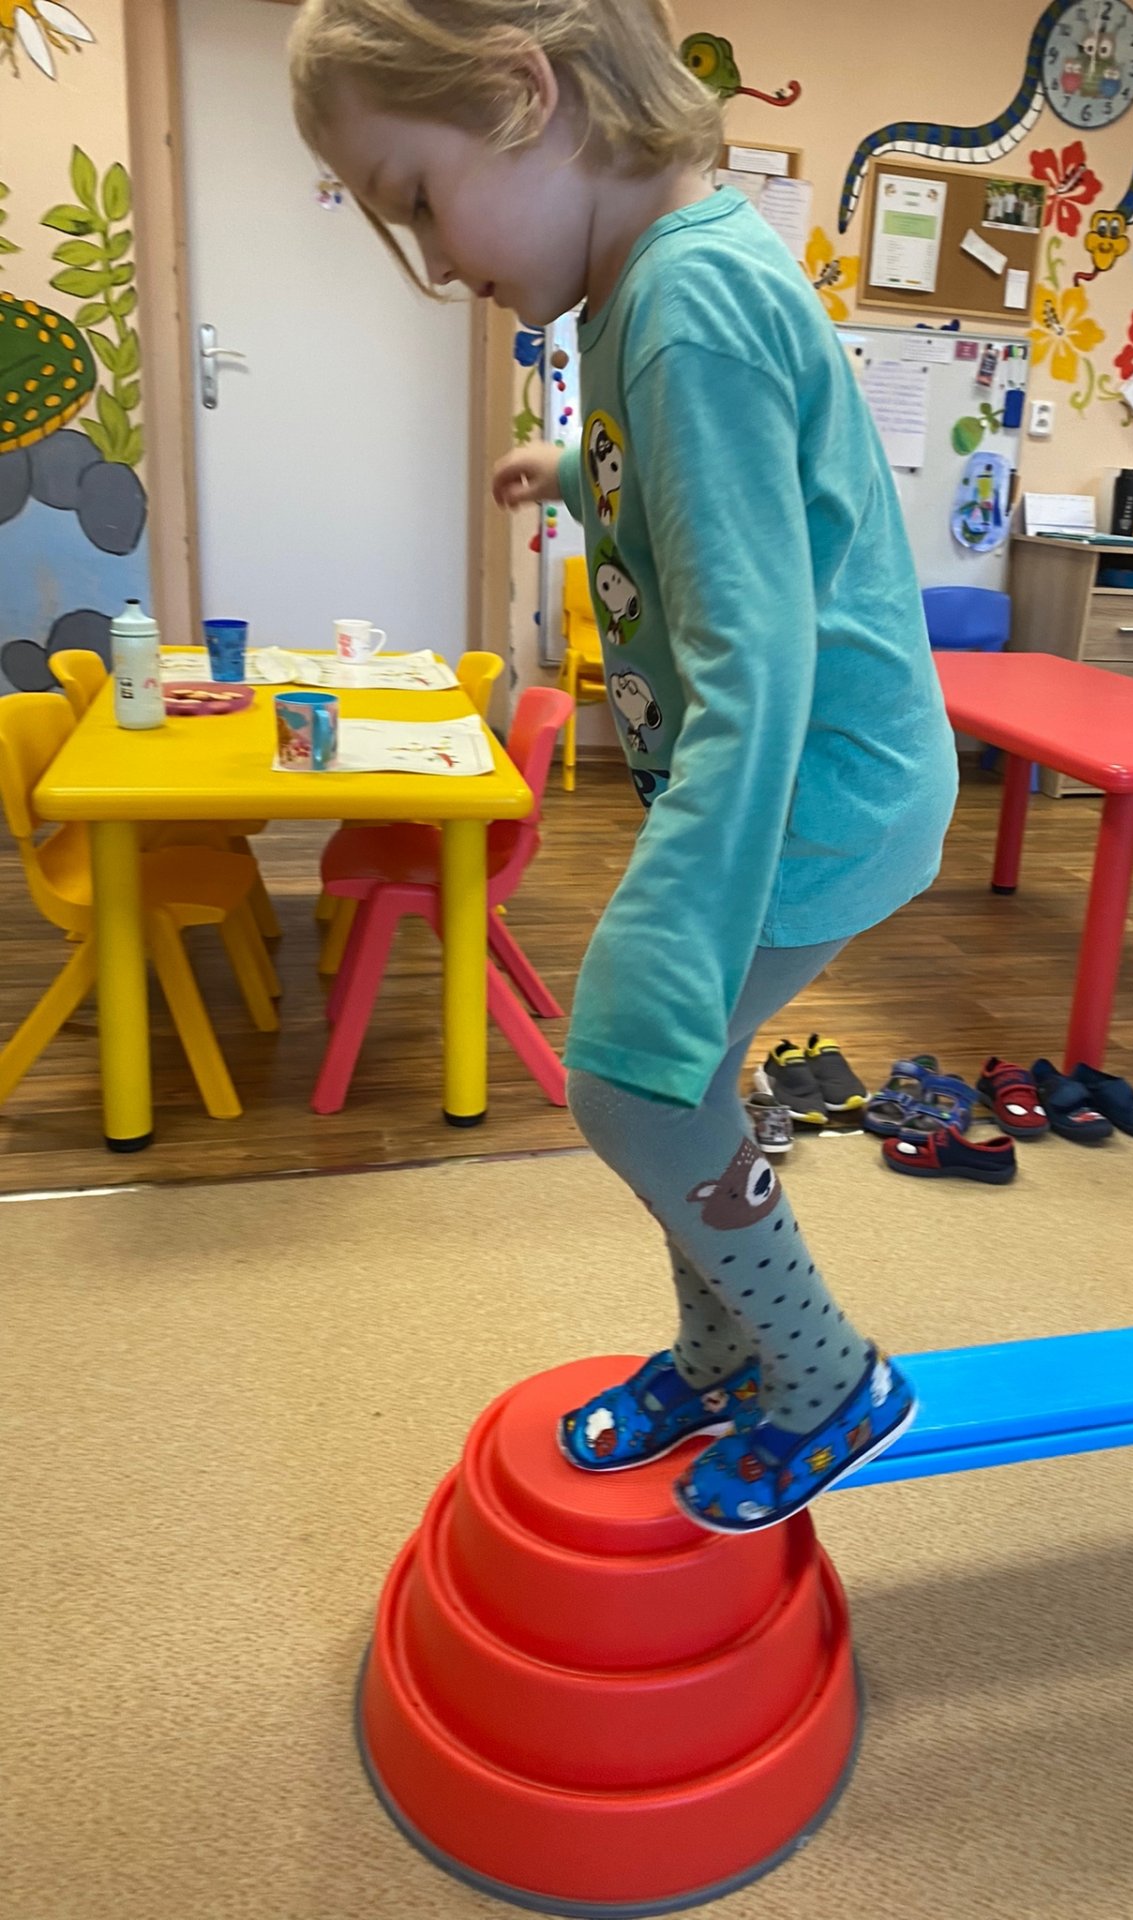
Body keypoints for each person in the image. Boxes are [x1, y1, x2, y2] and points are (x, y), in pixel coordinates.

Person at [289, 0, 957, 1534]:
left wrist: (672, 922)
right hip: (806, 773)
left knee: (631, 1084)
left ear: (527, 94)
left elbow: (758, 657)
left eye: (418, 199)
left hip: (810, 791)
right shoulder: (659, 281)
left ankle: (826, 1381)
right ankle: (724, 1354)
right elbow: (734, 529)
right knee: (684, 1082)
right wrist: (589, 494)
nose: (434, 263)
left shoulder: (683, 306)